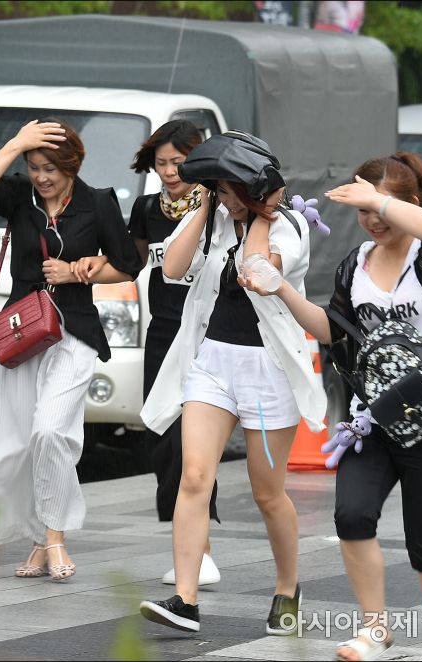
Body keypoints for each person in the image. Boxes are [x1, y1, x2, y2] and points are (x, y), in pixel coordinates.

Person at [240, 152, 422, 661]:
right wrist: (280, 290)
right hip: (372, 418)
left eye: (381, 209)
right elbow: (332, 332)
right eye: (362, 212)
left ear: (411, 203)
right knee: (352, 516)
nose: (373, 220)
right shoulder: (354, 264)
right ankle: (375, 630)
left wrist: (375, 198)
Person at [137, 133, 327, 634]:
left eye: (232, 190)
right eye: (219, 189)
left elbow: (255, 271)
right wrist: (204, 207)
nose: (226, 199)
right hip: (213, 362)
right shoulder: (213, 218)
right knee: (194, 476)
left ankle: (288, 588)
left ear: (257, 187)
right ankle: (185, 599)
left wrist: (262, 213)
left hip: (267, 370)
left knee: (268, 493)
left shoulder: (290, 226)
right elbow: (172, 269)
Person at [0, 119, 143, 580]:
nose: (42, 176)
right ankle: (38, 541)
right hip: (22, 335)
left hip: (73, 333)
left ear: (72, 165)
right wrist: (14, 144)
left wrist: (82, 270)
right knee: (23, 441)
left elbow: (127, 266)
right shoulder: (18, 196)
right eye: (35, 166)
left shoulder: (97, 203)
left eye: (51, 168)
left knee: (49, 431)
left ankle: (55, 537)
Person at [70, 120, 221, 586]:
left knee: (192, 443)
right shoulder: (148, 208)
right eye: (161, 164)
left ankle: (200, 552)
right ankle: (191, 546)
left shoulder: (219, 207)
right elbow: (129, 265)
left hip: (210, 338)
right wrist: (86, 268)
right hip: (163, 336)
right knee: (162, 439)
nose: (170, 172)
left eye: (179, 162)